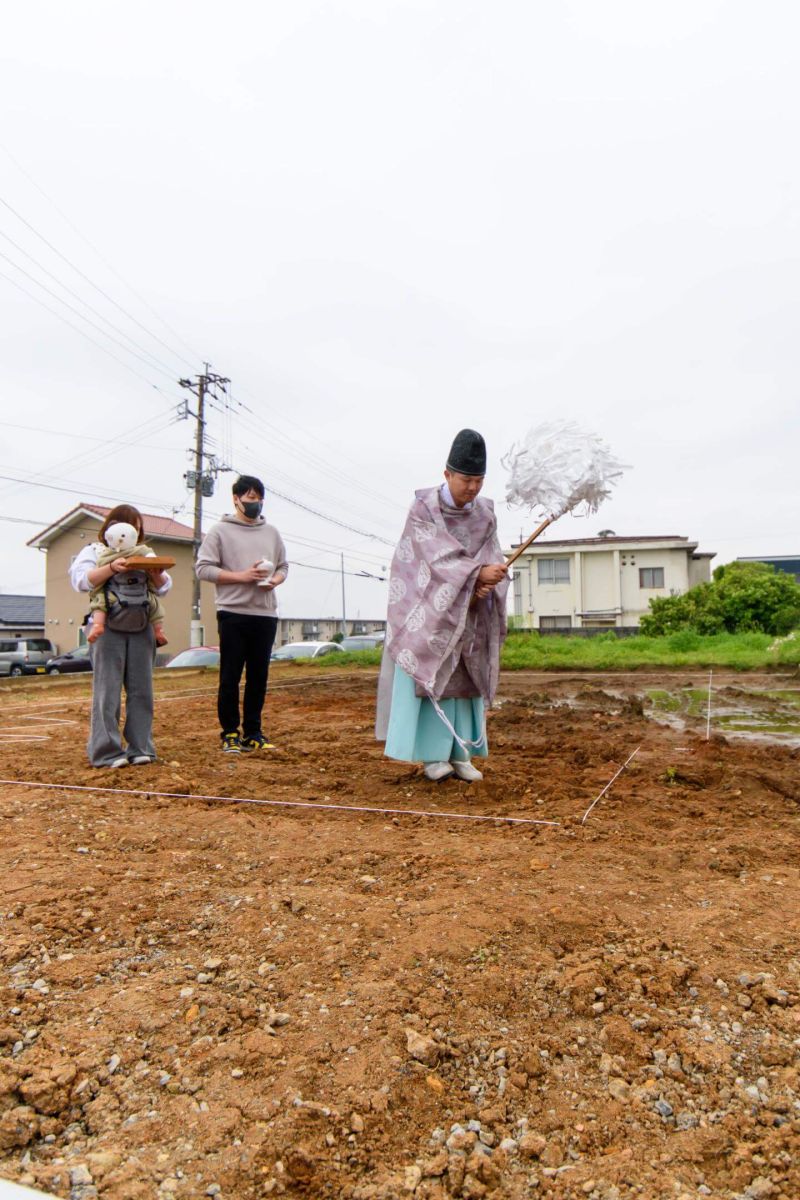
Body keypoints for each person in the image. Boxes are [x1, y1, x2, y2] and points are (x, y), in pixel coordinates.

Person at [375, 429, 509, 782]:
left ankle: (461, 752)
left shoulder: (486, 514)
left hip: (469, 613)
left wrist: (487, 580)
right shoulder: (424, 508)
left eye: (479, 480)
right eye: (466, 479)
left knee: (466, 679)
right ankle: (433, 755)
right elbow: (429, 558)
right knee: (434, 675)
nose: (473, 488)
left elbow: (490, 554)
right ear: (447, 474)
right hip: (428, 609)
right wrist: (475, 575)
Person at [69, 504, 172, 768]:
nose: (134, 533)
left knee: (142, 690)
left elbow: (165, 586)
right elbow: (82, 580)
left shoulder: (145, 553)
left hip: (142, 625)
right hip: (107, 628)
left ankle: (141, 747)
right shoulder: (94, 551)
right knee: (108, 691)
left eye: (138, 529)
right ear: (111, 528)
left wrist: (156, 575)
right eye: (130, 527)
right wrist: (113, 568)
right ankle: (106, 752)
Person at [196, 474, 288, 753]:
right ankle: (230, 733)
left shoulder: (271, 532)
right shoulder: (219, 532)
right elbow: (203, 569)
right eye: (249, 498)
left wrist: (275, 580)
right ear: (235, 499)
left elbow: (284, 566)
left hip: (265, 613)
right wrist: (242, 576)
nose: (254, 503)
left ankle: (253, 732)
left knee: (259, 677)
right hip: (233, 612)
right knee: (231, 676)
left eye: (258, 498)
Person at [87, 521, 168, 646]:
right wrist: (112, 567)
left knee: (154, 604)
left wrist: (153, 566)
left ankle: (159, 631)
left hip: (140, 589)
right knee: (101, 602)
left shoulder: (141, 550)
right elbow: (93, 575)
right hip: (116, 590)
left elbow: (151, 557)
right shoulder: (105, 553)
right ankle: (98, 625)